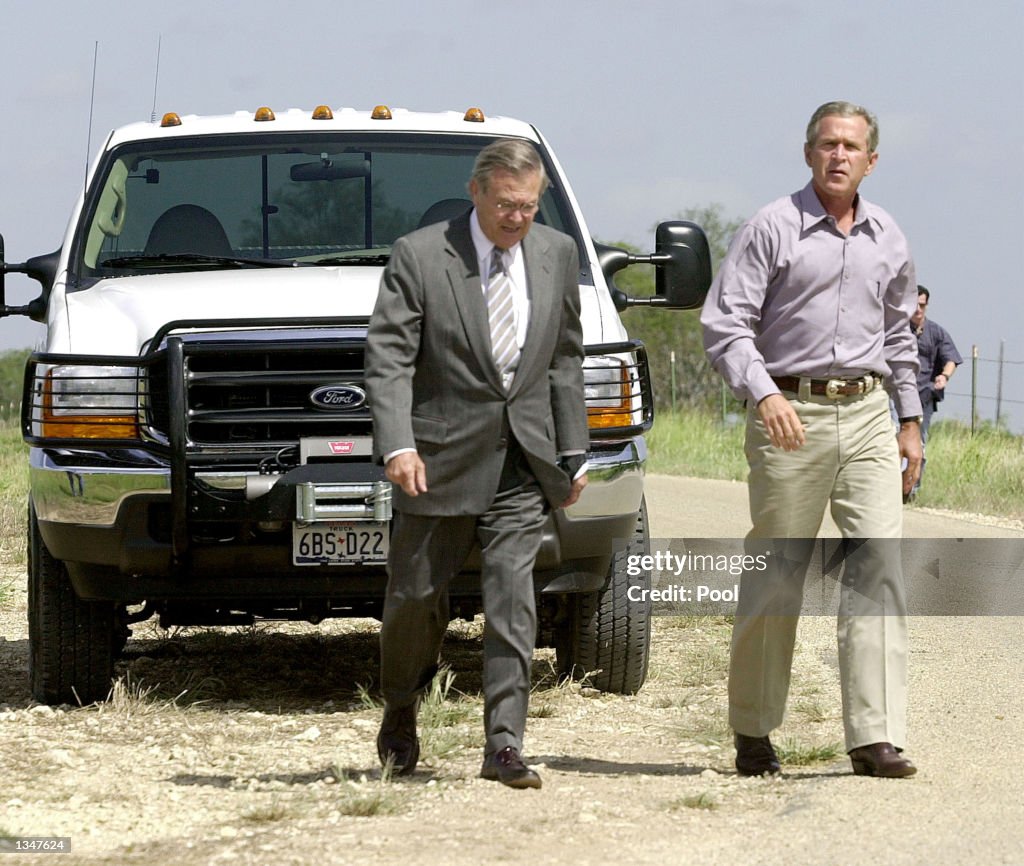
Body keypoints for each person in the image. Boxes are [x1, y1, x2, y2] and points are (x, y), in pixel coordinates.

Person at [701, 101, 923, 779]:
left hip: (866, 413)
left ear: (871, 160)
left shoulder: (889, 236)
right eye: (827, 144)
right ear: (808, 153)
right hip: (789, 414)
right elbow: (725, 323)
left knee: (878, 568)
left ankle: (875, 735)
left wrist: (909, 420)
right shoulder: (773, 227)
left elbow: (897, 336)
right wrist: (764, 392)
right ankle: (754, 729)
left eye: (851, 146)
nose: (838, 156)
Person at [364, 139, 589, 790]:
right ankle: (401, 707)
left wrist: (572, 448)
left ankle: (504, 745)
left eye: (529, 205)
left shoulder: (556, 254)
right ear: (477, 193)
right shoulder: (421, 255)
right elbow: (389, 358)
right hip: (437, 460)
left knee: (513, 600)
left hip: (524, 459)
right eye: (506, 205)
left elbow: (566, 359)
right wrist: (398, 443)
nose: (518, 218)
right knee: (413, 599)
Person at [910, 285, 962, 490]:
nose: (918, 310)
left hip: (924, 395)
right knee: (893, 437)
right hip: (895, 393)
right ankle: (893, 487)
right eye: (915, 305)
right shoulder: (896, 330)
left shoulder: (937, 332)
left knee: (919, 442)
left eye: (922, 305)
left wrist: (944, 376)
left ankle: (912, 488)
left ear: (927, 305)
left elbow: (951, 359)